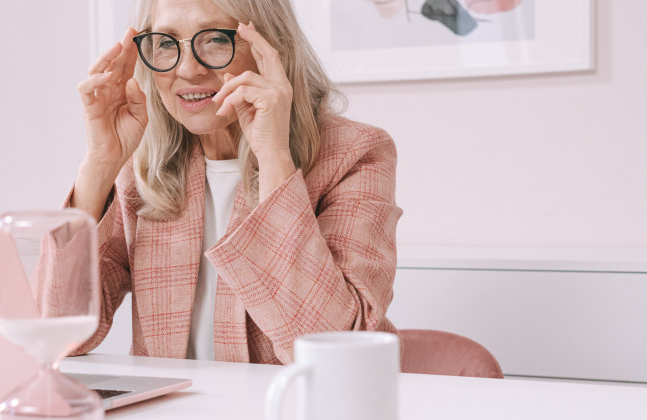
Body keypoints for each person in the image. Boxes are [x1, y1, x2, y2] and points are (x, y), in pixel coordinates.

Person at [69, 0, 402, 365]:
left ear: (271, 48)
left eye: (214, 39)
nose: (187, 69)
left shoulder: (354, 153)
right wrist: (99, 165)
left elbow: (337, 356)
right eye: (166, 42)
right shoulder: (143, 165)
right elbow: (61, 335)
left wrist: (273, 154)